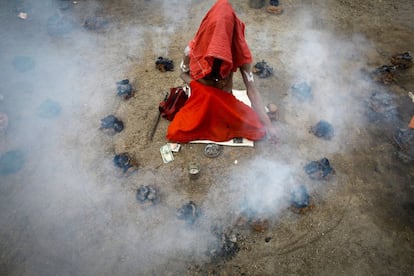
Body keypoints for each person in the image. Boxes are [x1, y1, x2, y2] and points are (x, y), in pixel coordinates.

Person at [166, 0, 279, 144]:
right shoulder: (192, 50)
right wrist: (200, 89)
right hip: (202, 100)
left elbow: (252, 90)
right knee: (176, 131)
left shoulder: (239, 53)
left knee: (257, 129)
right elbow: (182, 73)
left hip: (226, 102)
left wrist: (269, 127)